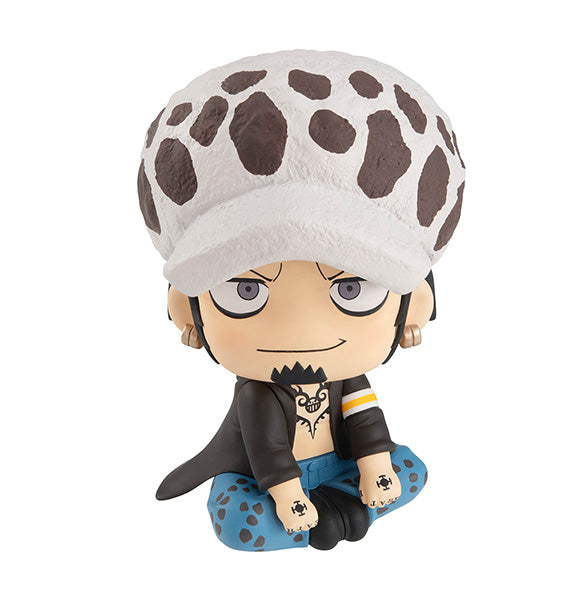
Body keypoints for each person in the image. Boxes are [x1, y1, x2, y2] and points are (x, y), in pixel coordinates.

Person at [137, 50, 465, 551]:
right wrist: (289, 496)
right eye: (247, 290)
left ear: (414, 307)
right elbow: (268, 450)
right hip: (269, 481)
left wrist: (375, 466)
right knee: (239, 521)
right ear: (186, 310)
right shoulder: (257, 395)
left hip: (338, 465)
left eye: (350, 289)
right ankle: (334, 513)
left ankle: (334, 510)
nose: (301, 329)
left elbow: (366, 423)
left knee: (410, 471)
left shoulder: (349, 379)